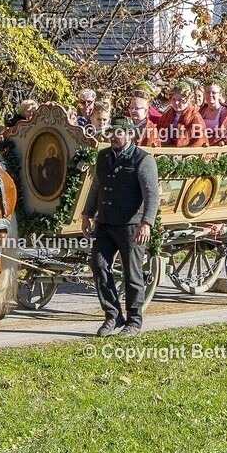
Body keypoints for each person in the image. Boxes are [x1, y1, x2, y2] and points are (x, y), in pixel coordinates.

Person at [82, 116, 160, 338]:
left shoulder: (143, 160)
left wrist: (146, 223)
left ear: (130, 135)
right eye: (111, 133)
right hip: (105, 223)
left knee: (132, 274)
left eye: (118, 133)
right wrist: (87, 214)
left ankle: (134, 321)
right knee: (98, 266)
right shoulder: (103, 156)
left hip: (131, 226)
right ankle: (113, 315)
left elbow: (152, 195)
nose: (113, 137)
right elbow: (96, 186)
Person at [155, 82, 207, 147]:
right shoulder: (168, 114)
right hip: (166, 149)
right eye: (174, 99)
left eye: (180, 100)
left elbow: (199, 140)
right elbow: (157, 130)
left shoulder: (194, 116)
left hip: (185, 152)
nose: (176, 103)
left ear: (188, 101)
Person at [199, 79, 227, 146]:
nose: (210, 95)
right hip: (203, 146)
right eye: (208, 92)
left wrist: (222, 143)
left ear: (220, 94)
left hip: (220, 148)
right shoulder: (202, 111)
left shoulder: (226, 113)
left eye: (214, 93)